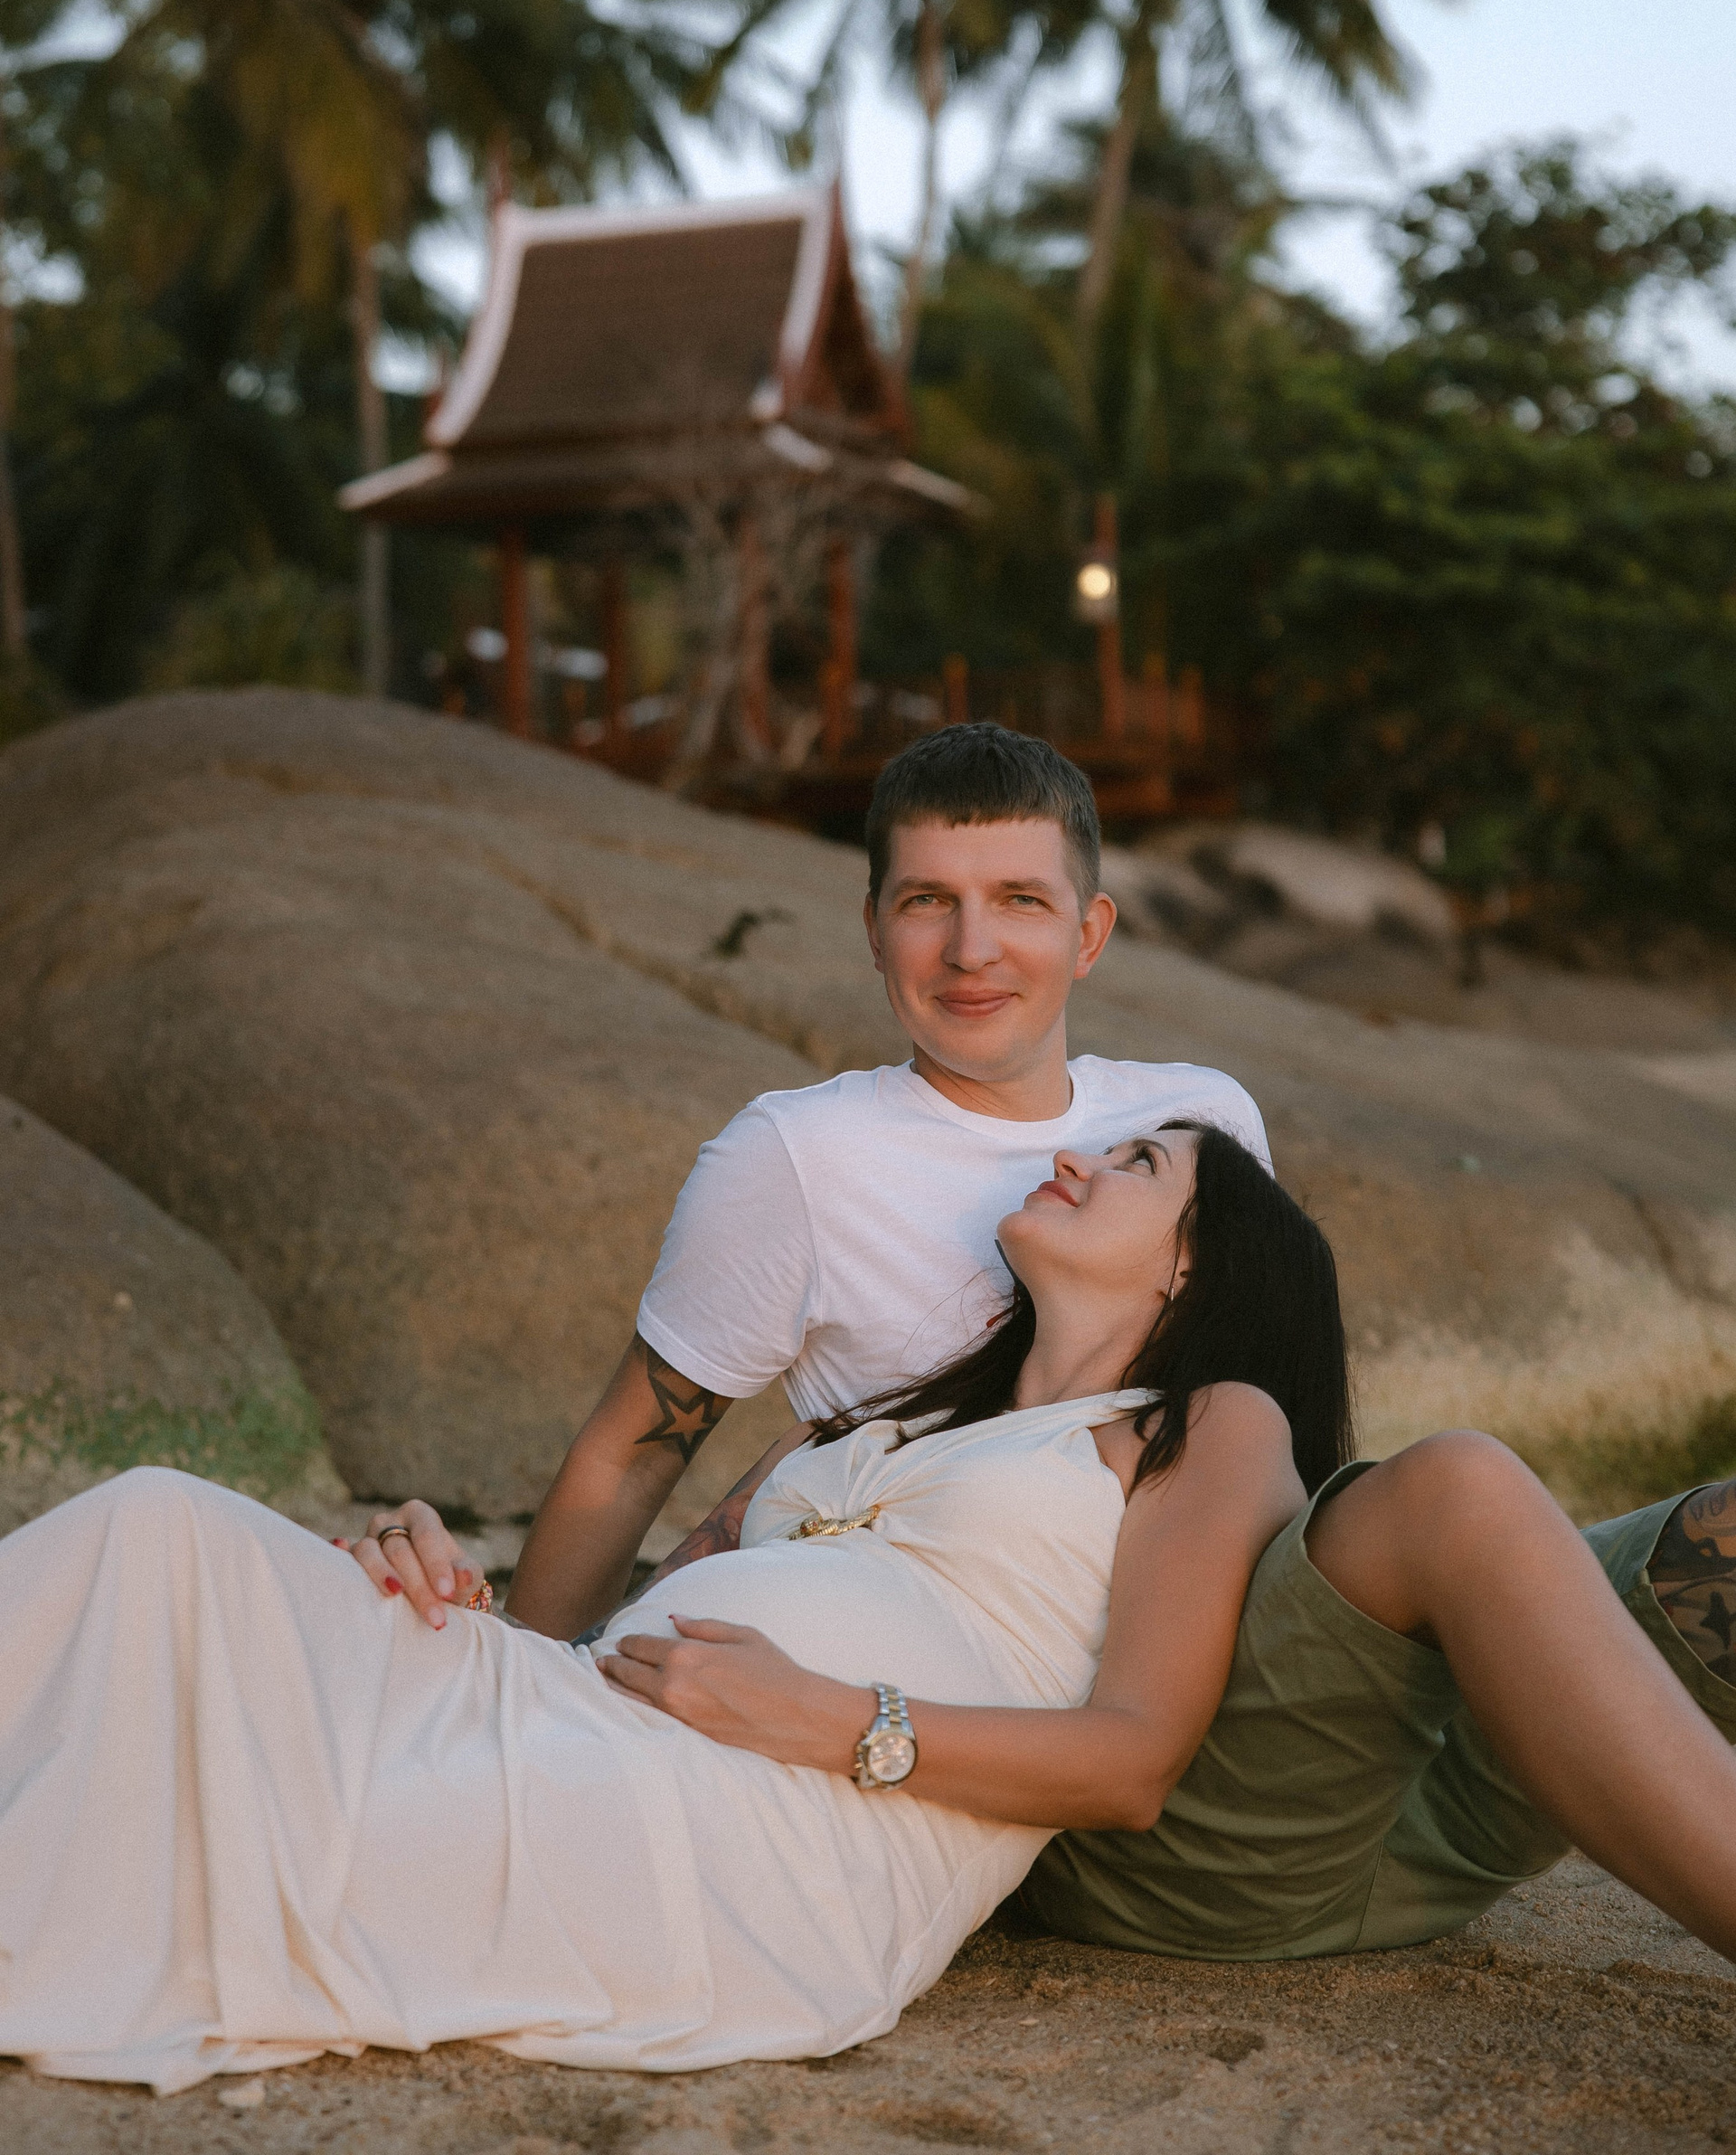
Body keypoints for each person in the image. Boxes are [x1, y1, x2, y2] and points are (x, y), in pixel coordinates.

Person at [4, 1129, 1733, 2098]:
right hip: (595, 1713)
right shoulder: (866, 1430)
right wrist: (443, 1586)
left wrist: (837, 1721)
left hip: (798, 1815)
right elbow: (662, 1626)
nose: (1081, 1156)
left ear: (1193, 1264)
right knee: (165, 1533)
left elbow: (1135, 1758)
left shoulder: (1200, 1431)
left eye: (1137, 1162)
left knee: (260, 1824)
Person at [429, 723, 1269, 1645]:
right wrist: (520, 1676)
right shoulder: (797, 1156)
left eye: (1021, 900)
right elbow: (628, 1462)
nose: (971, 948)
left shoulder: (1199, 1123)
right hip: (909, 1657)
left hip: (1176, 1644)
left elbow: (1268, 1406)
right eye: (927, 901)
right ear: (874, 930)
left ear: (1090, 933)